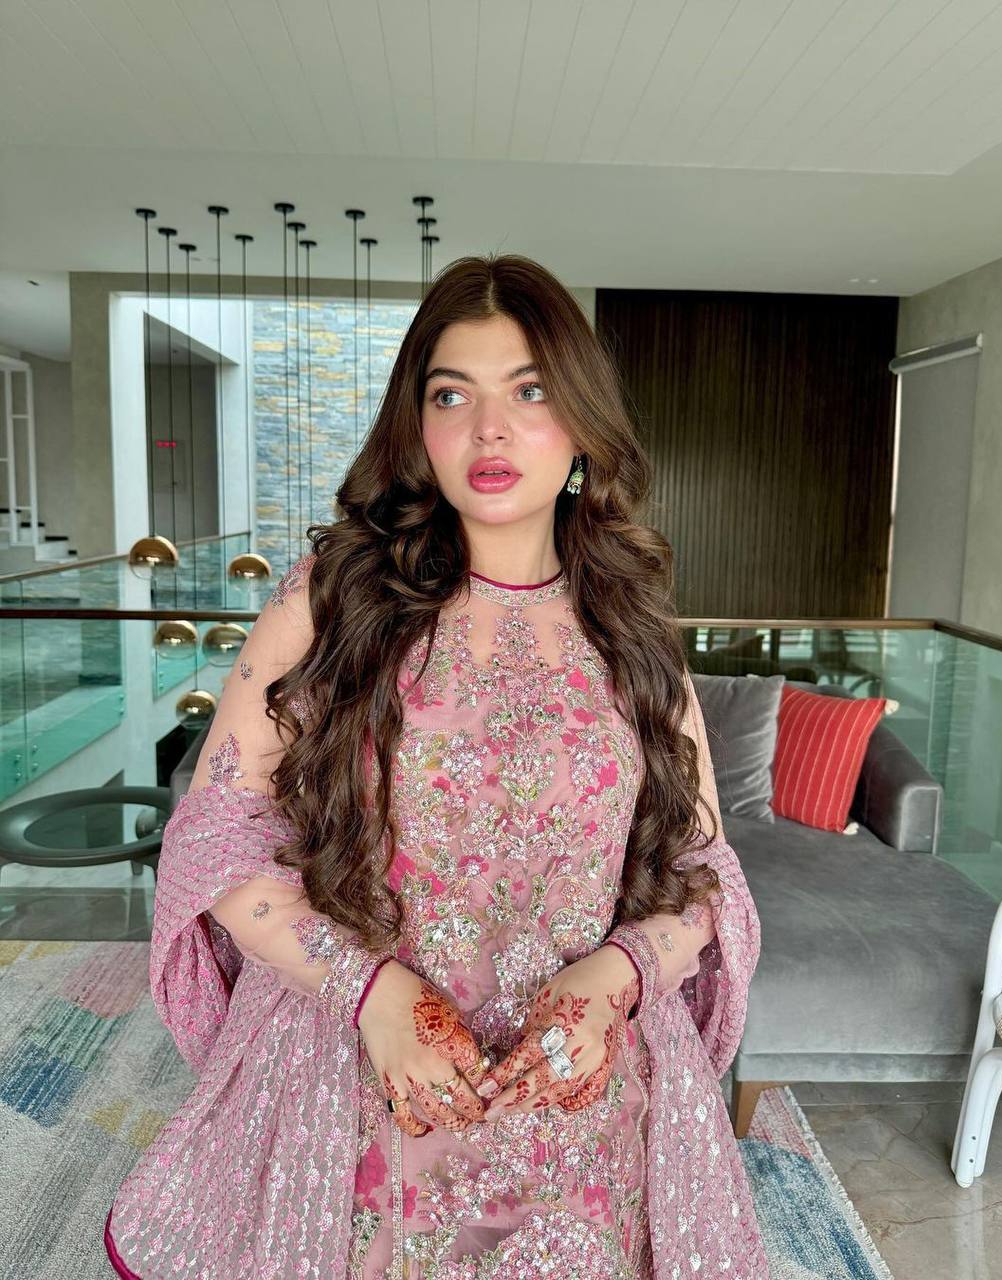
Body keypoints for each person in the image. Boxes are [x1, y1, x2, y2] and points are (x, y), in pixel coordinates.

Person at [105, 254, 768, 1278]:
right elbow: (216, 833)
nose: (488, 430)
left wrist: (616, 978)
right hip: (362, 1069)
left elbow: (704, 869)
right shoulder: (333, 597)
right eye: (452, 395)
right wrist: (372, 994)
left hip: (581, 1091)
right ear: (417, 428)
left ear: (582, 425)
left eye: (529, 392)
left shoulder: (635, 627)